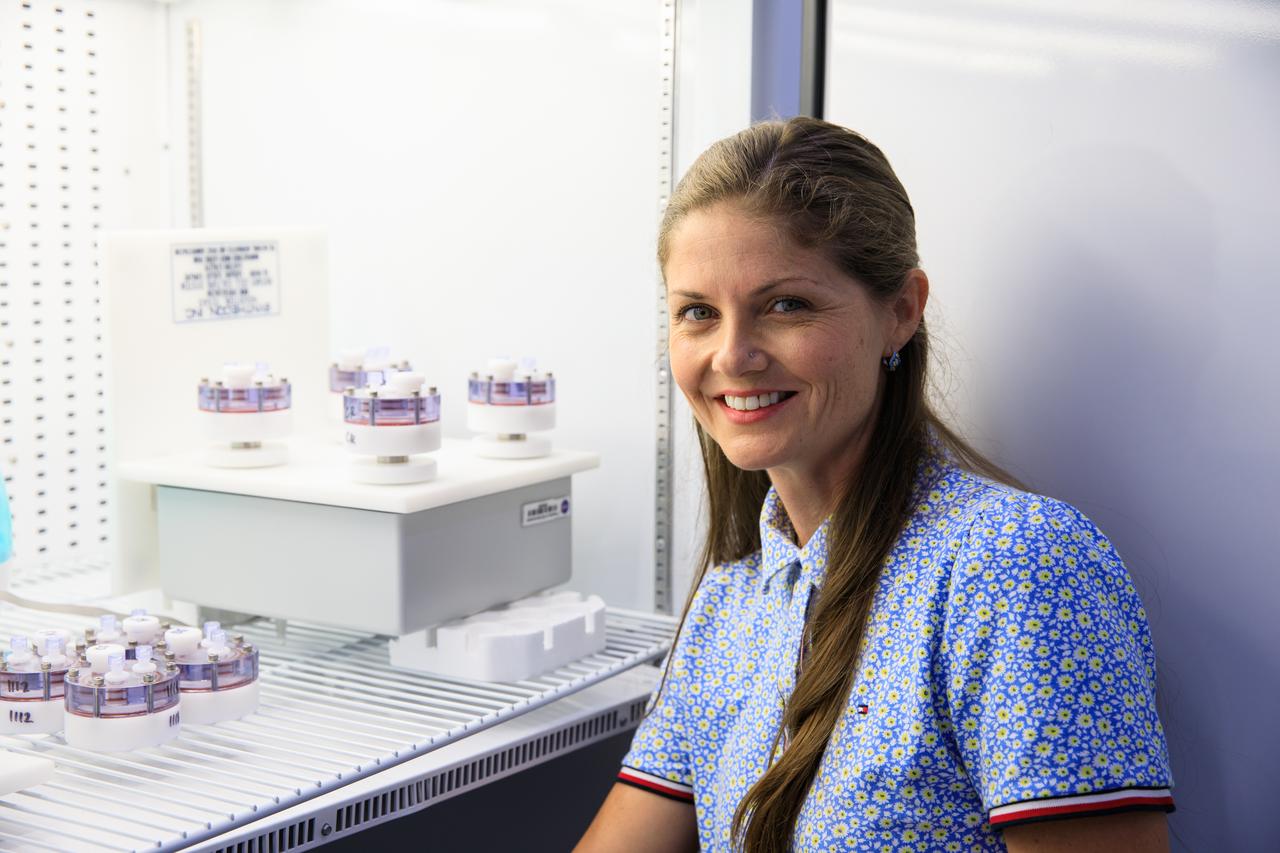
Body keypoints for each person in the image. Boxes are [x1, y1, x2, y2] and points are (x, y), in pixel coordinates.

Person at [576, 117, 1174, 852]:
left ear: (900, 312)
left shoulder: (1017, 563)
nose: (732, 356)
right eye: (698, 312)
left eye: (785, 304)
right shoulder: (735, 593)